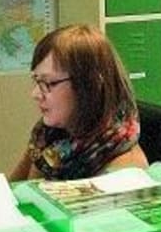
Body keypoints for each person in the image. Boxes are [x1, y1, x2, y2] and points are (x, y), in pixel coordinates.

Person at [9, 24, 147, 181]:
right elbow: (13, 188)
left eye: (48, 83)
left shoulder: (125, 171)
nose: (35, 94)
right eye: (37, 80)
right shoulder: (49, 135)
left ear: (90, 85)